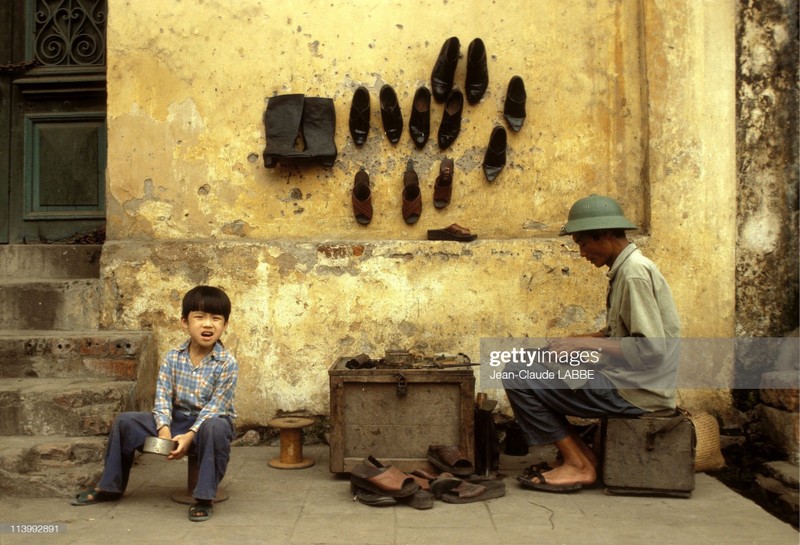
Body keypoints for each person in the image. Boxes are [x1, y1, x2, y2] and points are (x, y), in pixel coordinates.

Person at [502, 194, 680, 492]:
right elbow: (620, 335)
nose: (583, 253)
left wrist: (584, 347)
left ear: (607, 235)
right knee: (530, 361)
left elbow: (651, 350)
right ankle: (585, 458)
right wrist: (577, 340)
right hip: (630, 381)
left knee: (518, 374)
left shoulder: (634, 274)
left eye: (584, 244)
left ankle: (578, 466)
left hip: (637, 392)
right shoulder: (628, 269)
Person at [71, 285, 238, 521]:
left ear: (225, 325)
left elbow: (216, 407)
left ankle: (203, 497)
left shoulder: (227, 363)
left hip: (210, 425)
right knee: (125, 422)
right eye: (199, 317)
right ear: (184, 322)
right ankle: (110, 487)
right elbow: (162, 398)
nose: (208, 324)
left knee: (216, 426)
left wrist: (189, 435)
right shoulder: (173, 357)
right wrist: (164, 430)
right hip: (176, 421)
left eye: (216, 319)